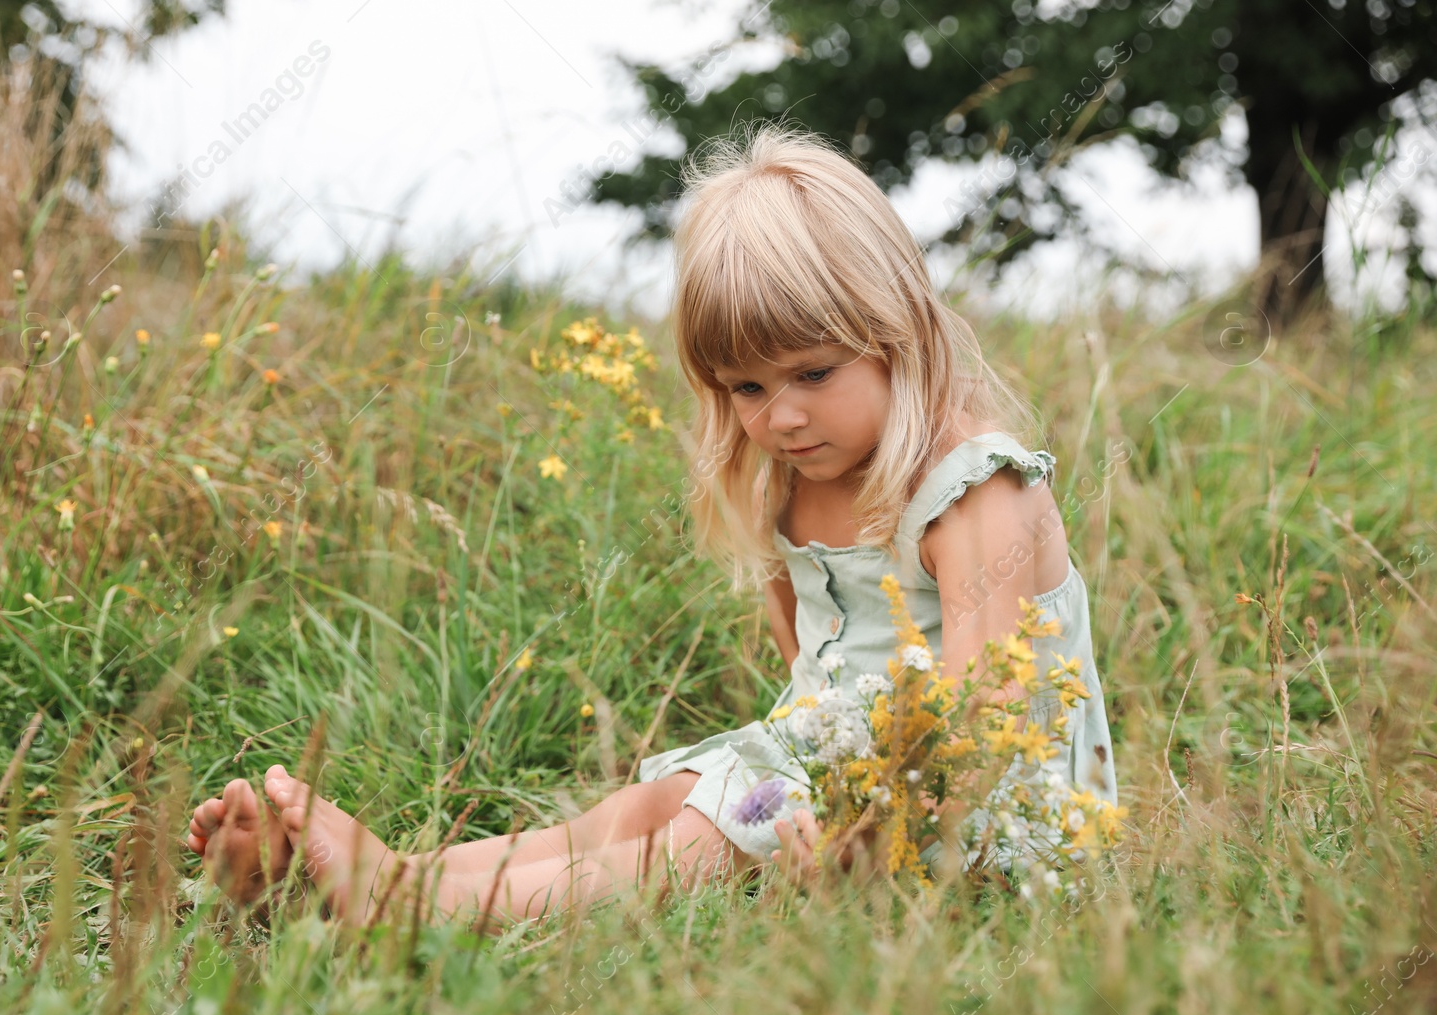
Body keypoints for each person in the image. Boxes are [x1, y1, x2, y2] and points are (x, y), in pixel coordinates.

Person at [185, 121, 1119, 932]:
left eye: (812, 372)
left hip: (977, 810)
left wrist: (867, 834)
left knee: (703, 837)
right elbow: (810, 676)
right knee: (642, 806)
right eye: (747, 388)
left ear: (896, 330)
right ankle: (392, 872)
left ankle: (411, 908)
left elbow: (985, 720)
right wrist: (797, 782)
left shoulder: (970, 487)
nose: (781, 417)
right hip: (835, 765)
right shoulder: (794, 484)